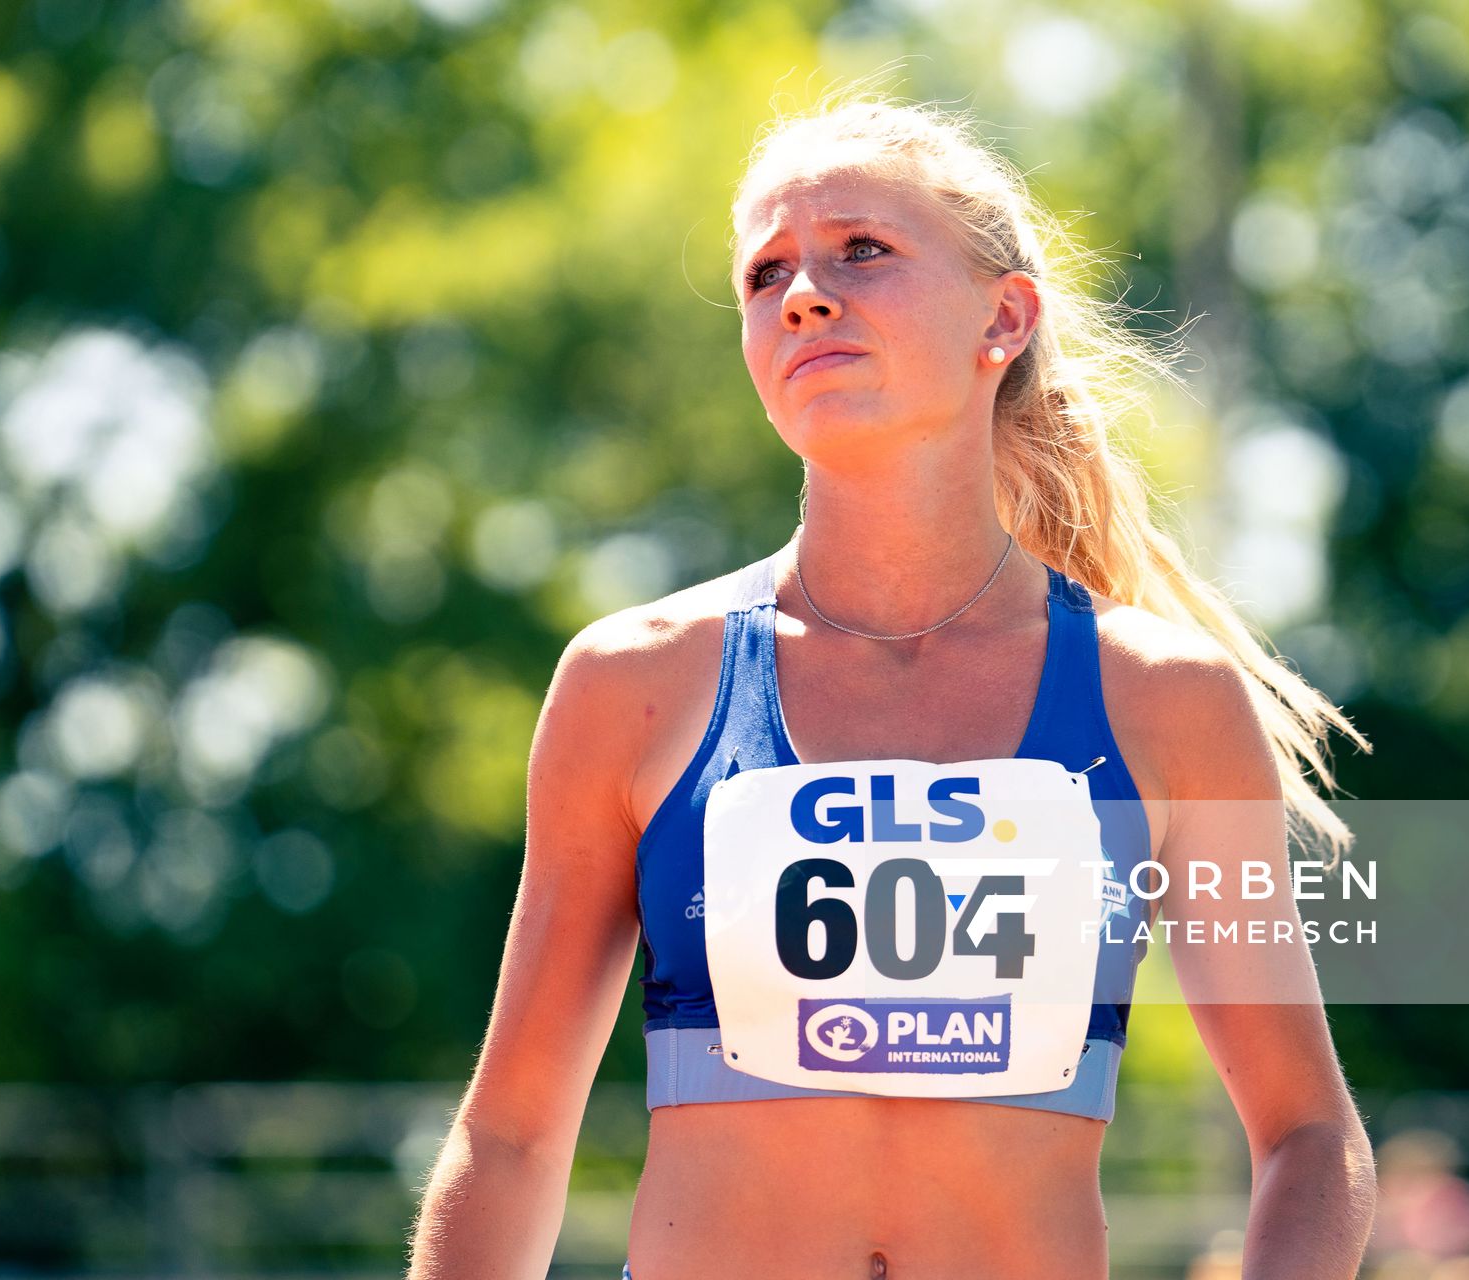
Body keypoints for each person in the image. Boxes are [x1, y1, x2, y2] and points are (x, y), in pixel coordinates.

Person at [407, 87, 1377, 1279]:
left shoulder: (1166, 702)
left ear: (1003, 318)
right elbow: (508, 1138)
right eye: (766, 275)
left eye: (863, 250)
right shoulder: (634, 682)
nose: (806, 290)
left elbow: (1310, 1132)